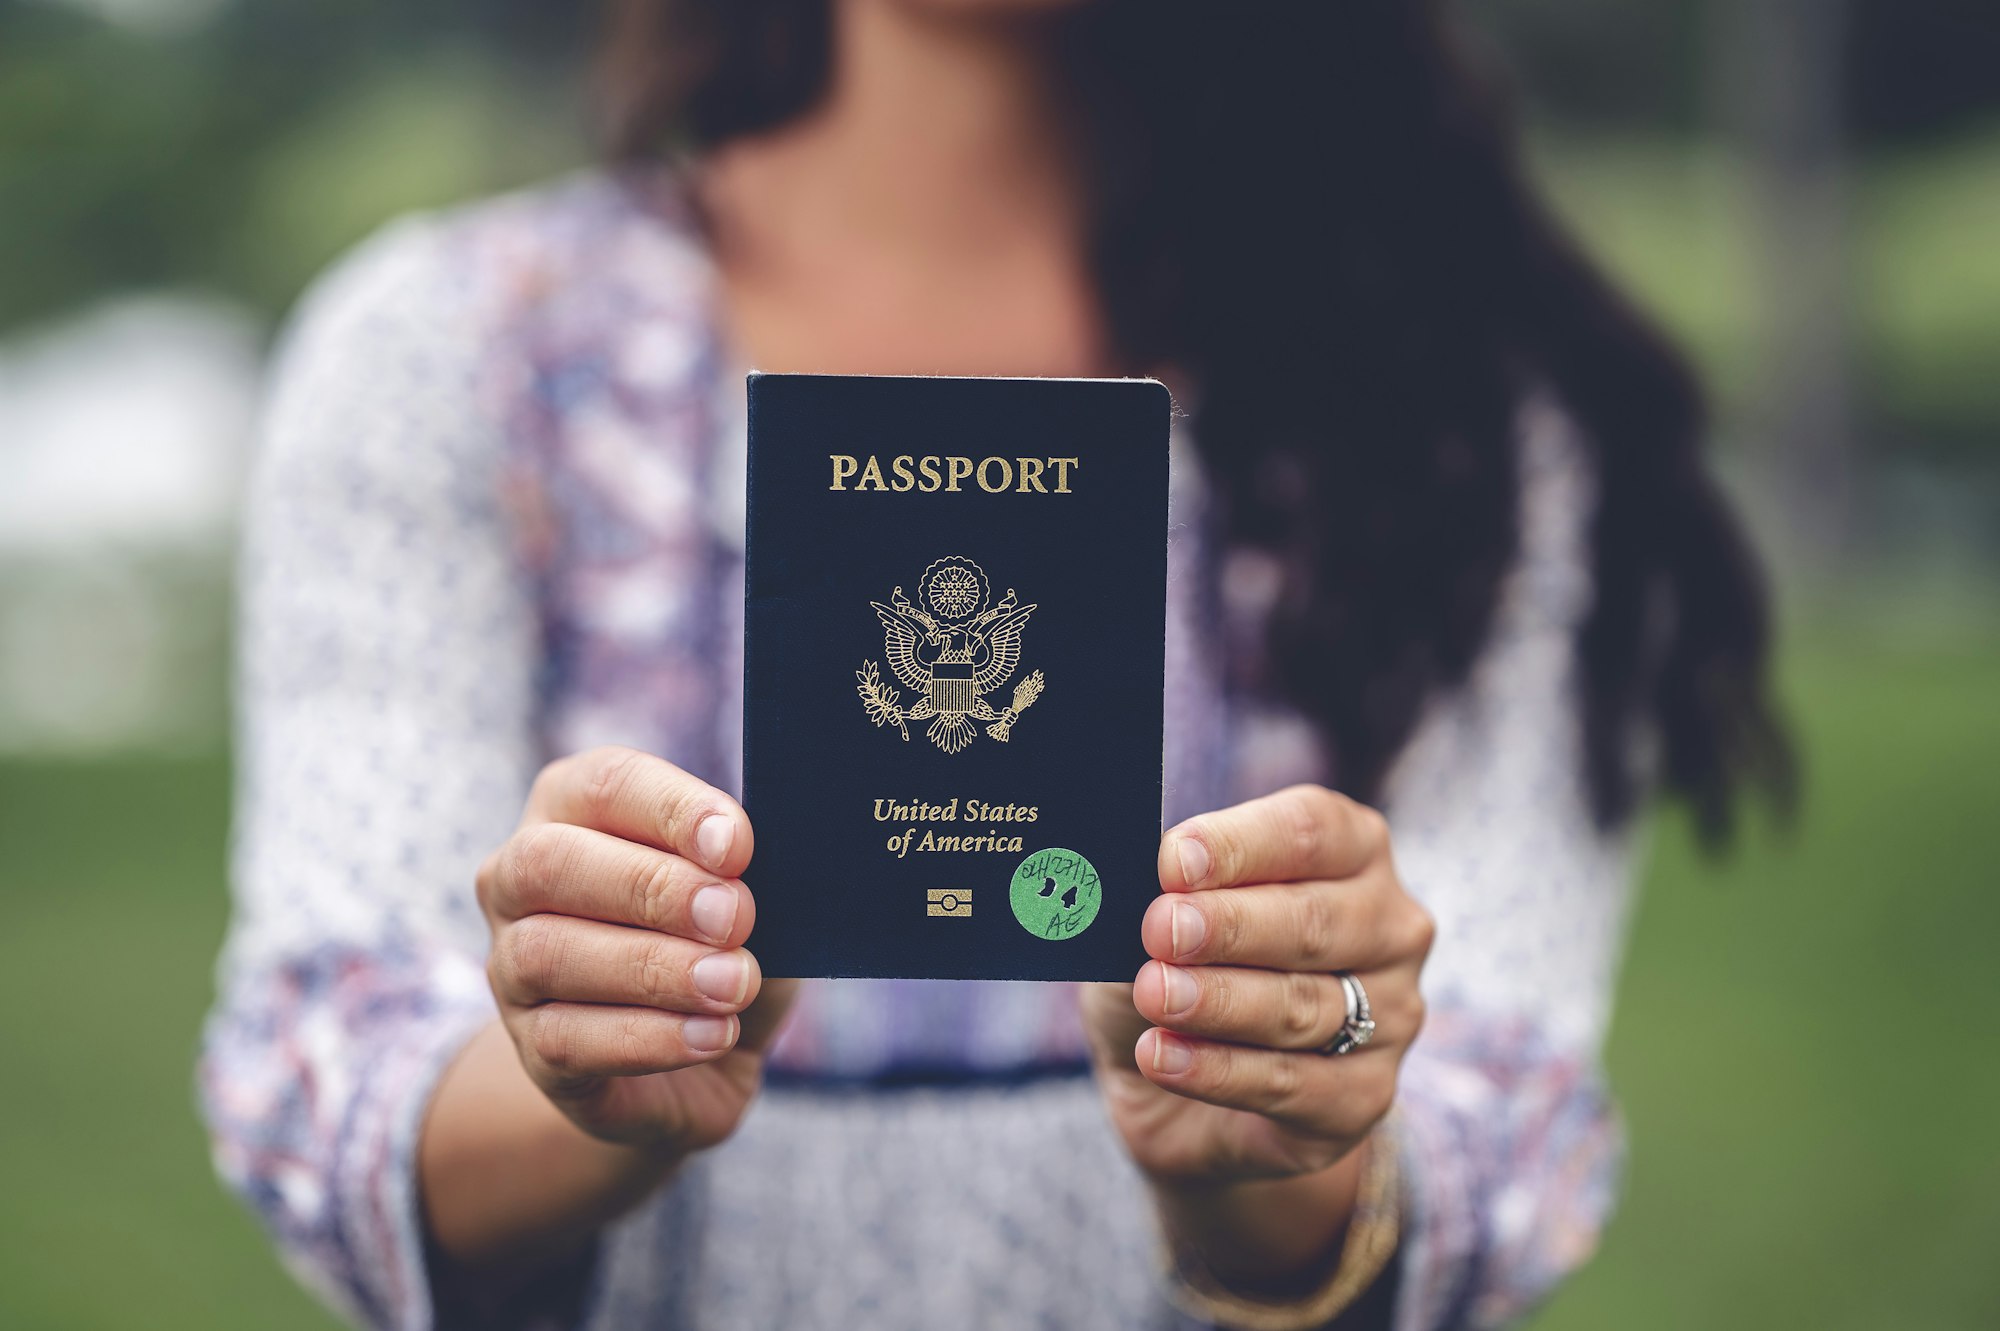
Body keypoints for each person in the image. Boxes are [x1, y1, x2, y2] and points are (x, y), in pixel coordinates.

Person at [199, 1, 1790, 1328]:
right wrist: (570, 1078)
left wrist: (1289, 1114)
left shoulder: (1475, 423)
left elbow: (1488, 1108)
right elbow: (330, 1058)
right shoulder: (459, 356)